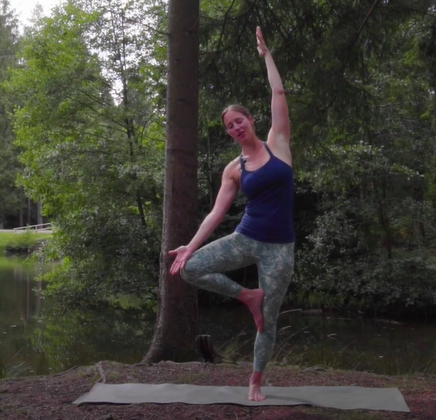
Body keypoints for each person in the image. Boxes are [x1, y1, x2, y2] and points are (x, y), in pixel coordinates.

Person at [168, 26, 294, 402]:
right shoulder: (234, 169)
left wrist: (266, 56)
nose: (236, 128)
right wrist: (189, 247)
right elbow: (215, 215)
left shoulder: (279, 144)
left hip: (279, 248)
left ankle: (255, 380)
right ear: (228, 134)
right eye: (229, 127)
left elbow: (279, 93)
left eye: (239, 121)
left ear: (251, 120)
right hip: (246, 238)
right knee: (190, 269)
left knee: (268, 321)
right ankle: (246, 296)